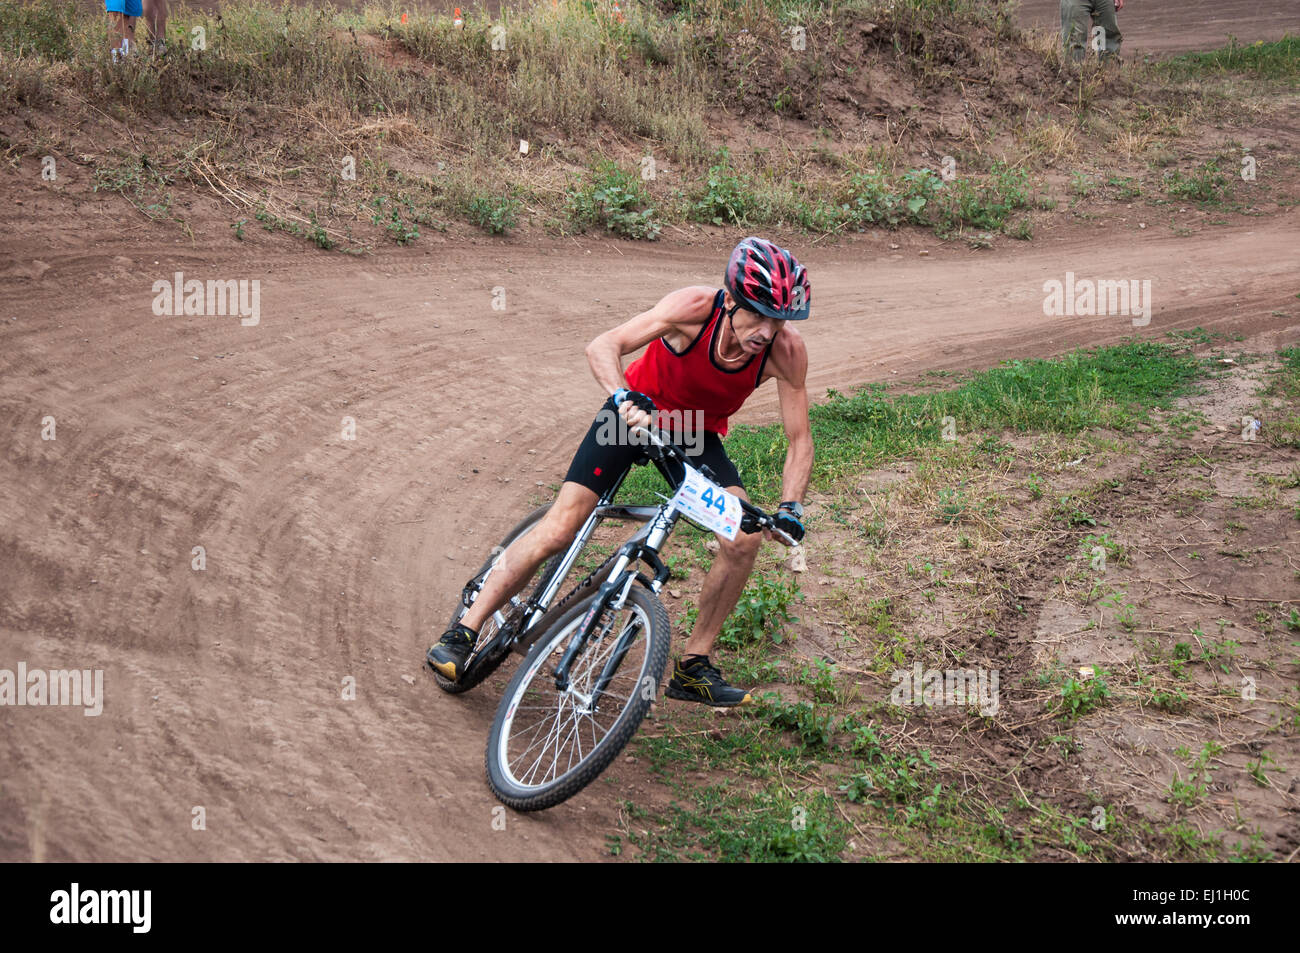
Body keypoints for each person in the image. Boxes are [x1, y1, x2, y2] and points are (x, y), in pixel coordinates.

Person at [427, 237, 815, 706]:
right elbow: (603, 345)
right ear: (730, 299)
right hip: (631, 415)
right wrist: (621, 394)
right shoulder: (692, 308)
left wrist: (790, 504)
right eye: (757, 313)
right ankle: (463, 633)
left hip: (691, 432)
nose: (766, 330)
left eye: (778, 320)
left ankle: (693, 667)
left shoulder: (785, 352)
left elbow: (800, 439)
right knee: (560, 528)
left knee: (742, 538)